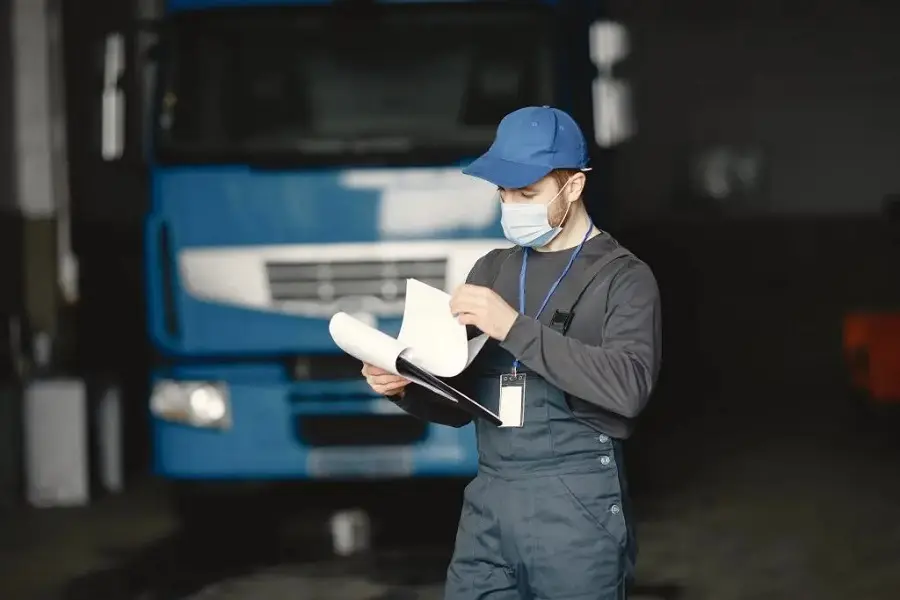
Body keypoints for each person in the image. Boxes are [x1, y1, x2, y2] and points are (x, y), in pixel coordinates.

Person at [362, 106, 662, 600]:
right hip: (490, 505)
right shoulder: (492, 269)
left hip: (575, 510)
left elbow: (629, 390)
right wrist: (406, 386)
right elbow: (462, 402)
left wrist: (512, 327)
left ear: (573, 187)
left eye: (527, 194)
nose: (512, 205)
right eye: (503, 193)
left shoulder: (623, 278)